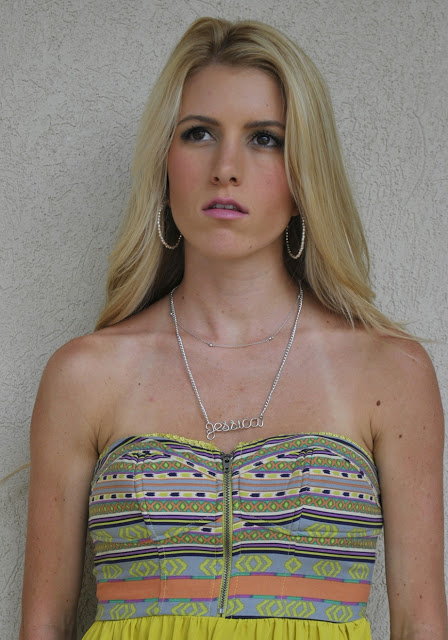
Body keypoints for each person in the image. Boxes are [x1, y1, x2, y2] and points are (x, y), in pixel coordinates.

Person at [20, 16, 446, 640]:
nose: (226, 167)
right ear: (165, 166)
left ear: (304, 176)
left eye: (265, 139)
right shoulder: (84, 376)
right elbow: (43, 626)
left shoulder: (390, 373)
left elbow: (422, 624)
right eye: (199, 133)